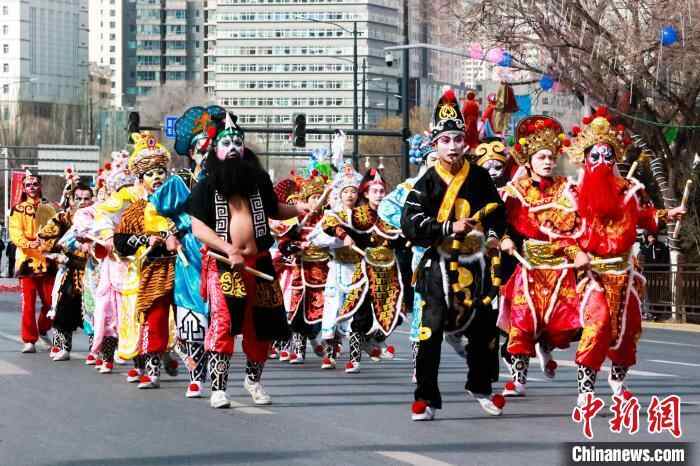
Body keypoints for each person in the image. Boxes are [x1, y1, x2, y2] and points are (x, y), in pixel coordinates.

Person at [565, 107, 686, 406]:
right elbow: (562, 234)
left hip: (625, 273)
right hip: (593, 274)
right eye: (596, 156)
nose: (602, 161)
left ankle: (618, 382)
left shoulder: (629, 191)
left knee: (629, 328)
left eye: (608, 156)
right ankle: (586, 391)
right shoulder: (573, 194)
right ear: (585, 158)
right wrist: (576, 253)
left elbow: (642, 217)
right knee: (598, 325)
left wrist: (667, 214)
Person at [187, 112, 308, 408]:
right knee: (224, 323)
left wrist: (299, 208)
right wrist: (228, 249)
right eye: (226, 143)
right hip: (224, 264)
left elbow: (275, 209)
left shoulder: (258, 181)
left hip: (260, 263)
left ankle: (253, 381)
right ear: (215, 149)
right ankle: (218, 388)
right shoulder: (207, 185)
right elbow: (198, 228)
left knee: (263, 326)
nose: (233, 148)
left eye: (237, 143)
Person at [401, 88, 506, 420]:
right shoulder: (427, 182)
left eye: (458, 139)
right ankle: (426, 398)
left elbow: (497, 212)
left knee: (484, 329)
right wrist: (448, 227)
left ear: (466, 142)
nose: (453, 146)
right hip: (439, 267)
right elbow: (410, 222)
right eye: (445, 140)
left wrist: (493, 237)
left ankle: (481, 387)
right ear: (435, 145)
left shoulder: (479, 176)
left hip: (476, 265)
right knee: (429, 333)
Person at [497, 116, 582, 397]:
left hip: (561, 268)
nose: (547, 162)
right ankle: (518, 378)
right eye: (541, 157)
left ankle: (546, 344)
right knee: (521, 323)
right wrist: (505, 238)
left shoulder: (566, 189)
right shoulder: (515, 191)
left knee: (560, 324)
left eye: (551, 157)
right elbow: (500, 223)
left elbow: (577, 226)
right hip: (528, 266)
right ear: (529, 160)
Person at [113, 132, 179, 389]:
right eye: (151, 174)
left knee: (188, 319)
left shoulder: (178, 205)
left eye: (161, 172)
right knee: (153, 318)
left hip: (182, 269)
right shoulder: (135, 209)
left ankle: (187, 366)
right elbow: (120, 242)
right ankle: (151, 368)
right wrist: (145, 239)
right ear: (141, 179)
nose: (157, 177)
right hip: (152, 271)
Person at [322, 167, 404, 374]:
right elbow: (330, 221)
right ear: (366, 194)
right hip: (365, 271)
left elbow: (406, 232)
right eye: (374, 191)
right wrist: (344, 235)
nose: (379, 195)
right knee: (360, 314)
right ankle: (354, 358)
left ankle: (372, 340)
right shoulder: (358, 215)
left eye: (382, 191)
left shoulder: (392, 214)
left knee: (397, 313)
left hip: (389, 273)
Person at [38, 183, 95, 362]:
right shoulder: (62, 218)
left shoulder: (100, 217)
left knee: (95, 311)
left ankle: (97, 350)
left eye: (86, 198)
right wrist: (58, 255)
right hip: (70, 269)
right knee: (63, 308)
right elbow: (44, 240)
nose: (82, 202)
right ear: (71, 199)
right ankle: (62, 346)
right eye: (78, 198)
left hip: (94, 271)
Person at [277, 174, 330, 365]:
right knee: (297, 311)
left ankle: (325, 348)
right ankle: (298, 350)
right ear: (306, 199)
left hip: (324, 272)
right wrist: (295, 246)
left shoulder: (328, 219)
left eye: (319, 197)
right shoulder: (298, 218)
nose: (316, 201)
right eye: (313, 197)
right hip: (300, 271)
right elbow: (284, 242)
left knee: (322, 312)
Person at [9, 170, 56, 353]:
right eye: (28, 185)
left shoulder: (49, 208)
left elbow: (56, 230)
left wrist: (47, 243)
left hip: (47, 260)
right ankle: (29, 340)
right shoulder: (18, 209)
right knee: (28, 304)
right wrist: (29, 243)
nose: (32, 188)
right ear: (23, 188)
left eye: (35, 184)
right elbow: (15, 233)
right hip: (26, 261)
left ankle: (43, 328)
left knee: (51, 302)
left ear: (40, 186)